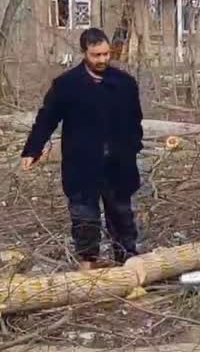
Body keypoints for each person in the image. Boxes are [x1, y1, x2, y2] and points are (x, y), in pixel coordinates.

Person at [21, 28, 143, 271]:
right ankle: (88, 267)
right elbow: (47, 119)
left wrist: (133, 146)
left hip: (119, 165)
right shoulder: (67, 85)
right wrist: (32, 149)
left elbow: (135, 119)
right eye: (96, 55)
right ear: (84, 52)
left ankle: (127, 263)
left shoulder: (124, 83)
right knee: (84, 218)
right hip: (82, 165)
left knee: (121, 215)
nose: (102, 60)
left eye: (106, 54)